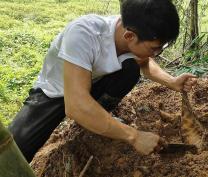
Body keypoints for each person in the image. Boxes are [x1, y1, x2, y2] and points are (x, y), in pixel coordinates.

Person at [8, 0, 197, 163]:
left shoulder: (133, 29)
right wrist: (133, 136)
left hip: (93, 84)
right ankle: (93, 118)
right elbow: (75, 106)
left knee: (131, 68)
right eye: (154, 49)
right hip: (55, 92)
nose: (156, 54)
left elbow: (144, 61)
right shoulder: (83, 34)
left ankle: (95, 120)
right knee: (13, 152)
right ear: (129, 36)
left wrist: (172, 82)